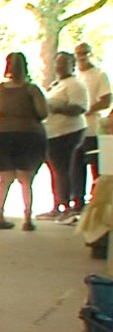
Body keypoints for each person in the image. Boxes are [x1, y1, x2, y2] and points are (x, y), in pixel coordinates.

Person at [0, 52, 48, 231]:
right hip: (28, 133)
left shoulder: (0, 89)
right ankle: (27, 218)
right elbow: (43, 112)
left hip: (1, 133)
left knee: (5, 177)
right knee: (25, 177)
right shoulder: (31, 89)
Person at [39, 52, 89, 223]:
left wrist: (55, 107)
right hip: (53, 134)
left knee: (62, 170)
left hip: (68, 133)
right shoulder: (57, 84)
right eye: (58, 62)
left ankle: (66, 207)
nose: (59, 66)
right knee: (56, 170)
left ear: (72, 65)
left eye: (64, 63)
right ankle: (57, 205)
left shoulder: (76, 85)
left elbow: (80, 108)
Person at [73, 43, 111, 213]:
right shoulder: (74, 76)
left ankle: (98, 204)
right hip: (74, 130)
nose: (82, 56)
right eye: (78, 53)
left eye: (85, 53)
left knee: (96, 168)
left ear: (90, 54)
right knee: (75, 168)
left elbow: (106, 99)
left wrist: (87, 109)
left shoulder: (99, 75)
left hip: (93, 129)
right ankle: (78, 203)